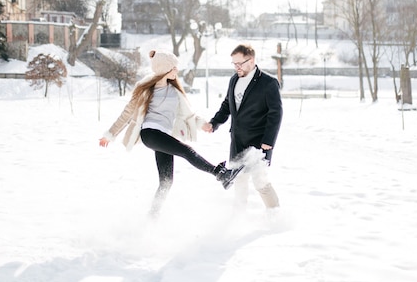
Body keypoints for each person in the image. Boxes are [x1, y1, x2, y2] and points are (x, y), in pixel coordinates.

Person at [99, 50, 243, 217]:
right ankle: (220, 174)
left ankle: (153, 215)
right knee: (186, 151)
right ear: (165, 69)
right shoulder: (146, 90)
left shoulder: (175, 92)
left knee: (166, 181)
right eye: (174, 67)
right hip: (150, 133)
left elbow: (189, 115)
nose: (177, 71)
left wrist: (204, 125)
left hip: (164, 135)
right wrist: (110, 134)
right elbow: (127, 113)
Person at [203, 43, 282, 211]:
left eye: (240, 63)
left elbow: (275, 113)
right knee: (239, 181)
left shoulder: (268, 83)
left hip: (258, 143)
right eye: (234, 63)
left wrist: (269, 141)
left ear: (251, 60)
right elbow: (227, 105)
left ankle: (275, 214)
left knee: (260, 182)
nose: (236, 67)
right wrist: (214, 123)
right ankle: (238, 217)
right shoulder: (234, 80)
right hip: (238, 140)